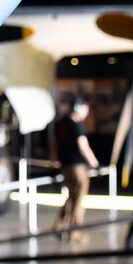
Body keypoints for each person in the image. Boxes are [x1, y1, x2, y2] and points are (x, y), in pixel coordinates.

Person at [50, 96, 99, 241]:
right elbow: (83, 146)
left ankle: (59, 225)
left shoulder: (61, 124)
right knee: (78, 199)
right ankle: (74, 231)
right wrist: (94, 163)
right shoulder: (76, 125)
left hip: (64, 166)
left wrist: (54, 161)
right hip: (77, 167)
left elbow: (53, 144)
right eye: (86, 109)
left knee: (71, 197)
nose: (87, 112)